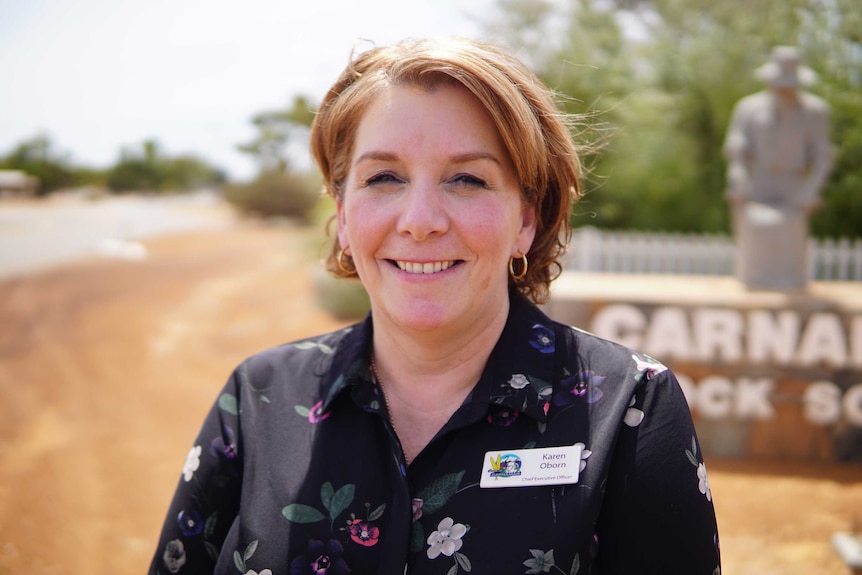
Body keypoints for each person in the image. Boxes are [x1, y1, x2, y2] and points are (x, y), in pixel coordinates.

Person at [149, 37, 720, 574]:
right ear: (344, 216)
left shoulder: (629, 405)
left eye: (467, 179)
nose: (420, 221)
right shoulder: (260, 395)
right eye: (384, 177)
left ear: (526, 218)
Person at [723, 45, 833, 290]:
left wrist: (811, 188)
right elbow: (736, 146)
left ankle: (789, 284)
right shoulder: (748, 107)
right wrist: (737, 171)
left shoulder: (815, 111)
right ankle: (752, 280)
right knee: (754, 232)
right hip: (759, 179)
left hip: (793, 182)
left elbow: (823, 156)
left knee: (789, 242)